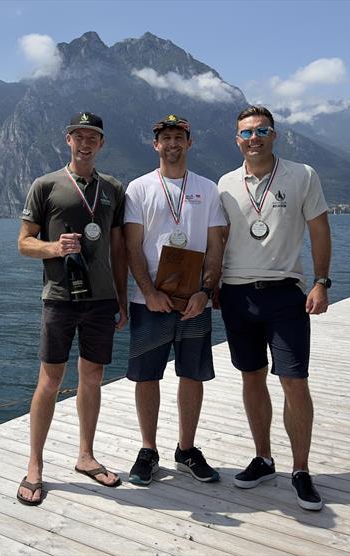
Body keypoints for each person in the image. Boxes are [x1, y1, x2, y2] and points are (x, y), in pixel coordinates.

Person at [217, 105, 331, 511]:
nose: (254, 138)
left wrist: (321, 281)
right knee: (252, 379)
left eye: (261, 130)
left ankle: (300, 470)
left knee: (294, 381)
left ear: (274, 135)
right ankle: (264, 459)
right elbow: (218, 239)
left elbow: (319, 229)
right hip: (236, 294)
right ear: (237, 139)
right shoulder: (226, 183)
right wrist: (210, 285)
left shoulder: (302, 175)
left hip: (286, 293)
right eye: (246, 132)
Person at [16, 112, 128, 505]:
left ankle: (85, 456)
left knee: (93, 378)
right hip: (59, 299)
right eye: (78, 136)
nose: (85, 143)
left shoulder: (113, 188)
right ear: (67, 140)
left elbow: (117, 249)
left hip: (100, 301)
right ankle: (35, 465)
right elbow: (24, 242)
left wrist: (122, 299)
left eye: (92, 138)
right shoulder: (45, 185)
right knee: (49, 380)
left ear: (101, 144)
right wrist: (53, 248)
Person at [124, 115, 226, 486]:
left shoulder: (208, 189)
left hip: (193, 301)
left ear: (189, 142)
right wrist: (148, 292)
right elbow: (131, 245)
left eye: (178, 137)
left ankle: (186, 449)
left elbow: (216, 246)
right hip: (148, 301)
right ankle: (148, 450)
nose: (172, 144)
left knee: (192, 375)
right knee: (146, 376)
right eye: (165, 138)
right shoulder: (138, 188)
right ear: (155, 145)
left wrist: (206, 291)